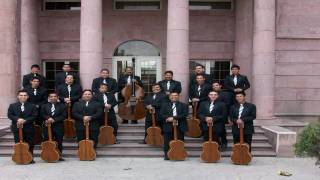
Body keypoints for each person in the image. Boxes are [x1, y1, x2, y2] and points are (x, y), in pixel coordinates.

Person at [7, 90, 38, 164]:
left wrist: (25, 120)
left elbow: (34, 115)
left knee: (30, 143)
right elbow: (10, 115)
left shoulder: (32, 106)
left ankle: (30, 158)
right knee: (18, 143)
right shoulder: (12, 105)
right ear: (18, 96)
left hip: (29, 127)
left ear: (27, 97)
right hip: (17, 128)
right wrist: (18, 119)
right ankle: (19, 158)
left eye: (24, 95)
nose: (23, 97)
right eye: (21, 95)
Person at [160, 91, 188, 160]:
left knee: (180, 142)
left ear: (178, 97)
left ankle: (179, 154)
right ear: (169, 97)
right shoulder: (164, 105)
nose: (174, 97)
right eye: (172, 95)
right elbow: (161, 114)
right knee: (167, 142)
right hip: (168, 126)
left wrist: (174, 118)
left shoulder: (184, 105)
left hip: (180, 126)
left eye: (176, 95)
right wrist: (167, 118)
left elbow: (184, 114)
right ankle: (167, 155)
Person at [40, 92, 67, 161]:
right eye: (51, 96)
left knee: (59, 141)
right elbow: (42, 114)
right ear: (49, 98)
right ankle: (47, 155)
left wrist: (53, 120)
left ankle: (59, 155)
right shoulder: (44, 106)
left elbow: (63, 115)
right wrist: (48, 118)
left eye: (55, 96)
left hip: (58, 126)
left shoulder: (62, 106)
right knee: (47, 141)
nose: (53, 98)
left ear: (57, 98)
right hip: (47, 126)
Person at [212, 80, 233, 149]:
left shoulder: (226, 94)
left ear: (220, 86)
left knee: (221, 129)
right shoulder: (211, 94)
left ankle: (224, 142)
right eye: (213, 86)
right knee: (214, 130)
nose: (215, 87)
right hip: (213, 115)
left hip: (223, 114)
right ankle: (217, 142)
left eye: (216, 85)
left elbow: (228, 105)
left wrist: (229, 116)